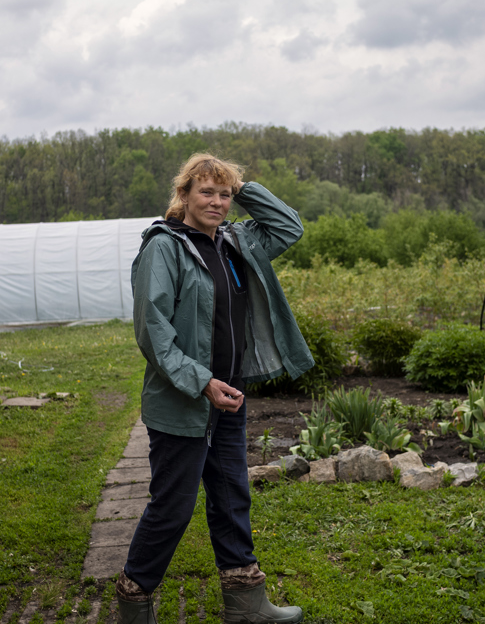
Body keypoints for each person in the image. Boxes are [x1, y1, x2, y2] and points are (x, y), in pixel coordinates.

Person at [118, 153, 313, 624]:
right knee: (173, 508)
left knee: (231, 498)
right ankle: (134, 603)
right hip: (183, 402)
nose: (218, 202)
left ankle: (246, 605)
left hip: (229, 398)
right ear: (182, 194)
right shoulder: (163, 248)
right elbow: (153, 330)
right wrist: (200, 382)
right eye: (207, 191)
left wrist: (240, 185)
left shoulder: (235, 241)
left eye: (225, 194)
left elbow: (289, 228)